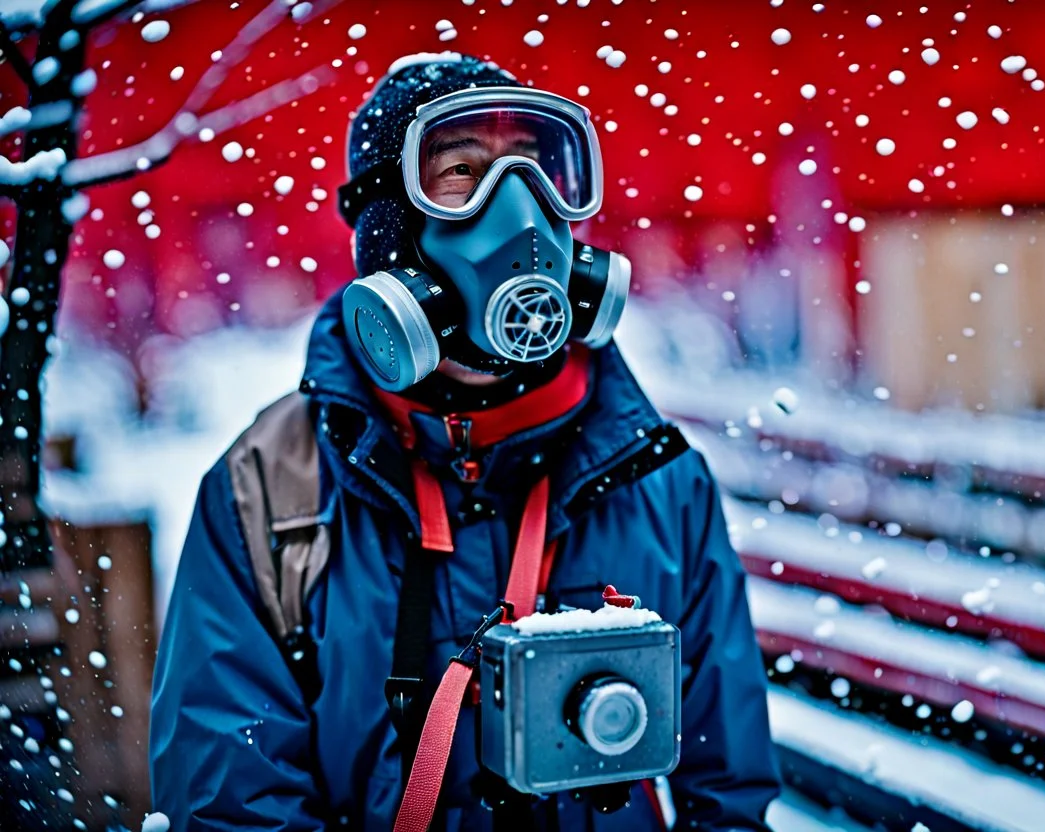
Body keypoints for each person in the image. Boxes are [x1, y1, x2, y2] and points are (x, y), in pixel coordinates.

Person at [149, 53, 780, 831]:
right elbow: (233, 805)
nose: (519, 214)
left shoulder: (659, 479)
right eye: (462, 171)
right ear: (388, 229)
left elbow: (730, 794)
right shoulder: (268, 490)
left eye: (536, 170)